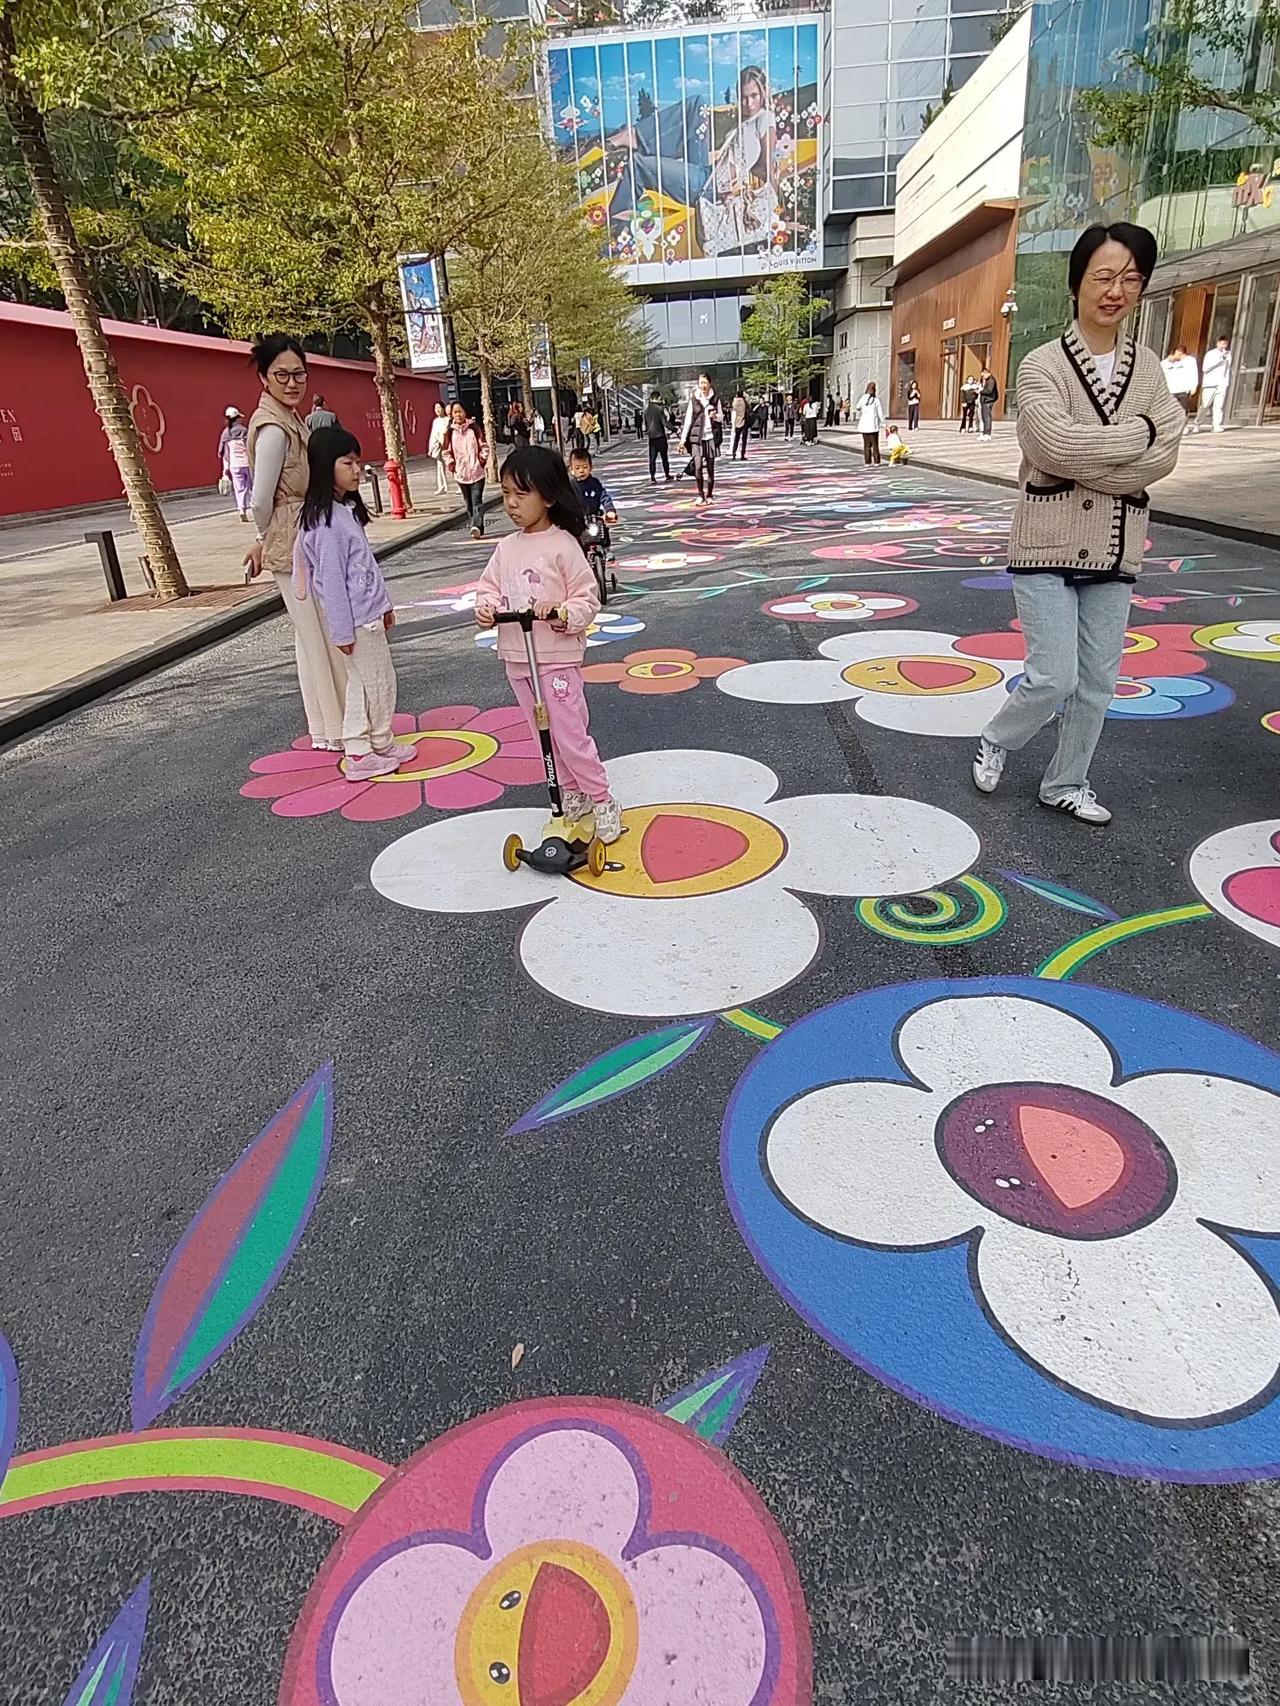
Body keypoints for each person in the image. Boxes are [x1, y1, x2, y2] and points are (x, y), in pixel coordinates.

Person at [970, 221, 1187, 825]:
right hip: (1046, 541)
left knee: (1098, 682)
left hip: (1116, 544)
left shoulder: (1147, 369)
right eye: (1104, 277)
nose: (1116, 290)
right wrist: (1137, 438)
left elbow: (1166, 451)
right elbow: (1052, 445)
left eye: (1131, 280)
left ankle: (1065, 782)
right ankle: (997, 737)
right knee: (1053, 676)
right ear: (1077, 284)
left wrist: (1126, 444)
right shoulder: (1041, 365)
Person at [474, 446, 621, 843]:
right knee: (543, 736)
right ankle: (572, 792)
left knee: (570, 734)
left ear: (549, 496)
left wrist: (561, 612)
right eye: (506, 494)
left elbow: (586, 598)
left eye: (522, 495)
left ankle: (601, 797)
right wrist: (486, 607)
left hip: (555, 660)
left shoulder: (563, 545)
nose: (511, 504)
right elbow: (488, 587)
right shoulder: (506, 548)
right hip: (518, 659)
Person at [244, 334, 347, 751]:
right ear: (265, 378)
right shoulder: (272, 428)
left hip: (300, 534)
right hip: (292, 539)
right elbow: (260, 498)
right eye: (281, 374)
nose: (292, 382)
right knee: (319, 633)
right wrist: (262, 538)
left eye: (298, 373)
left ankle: (326, 727)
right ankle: (337, 728)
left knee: (312, 636)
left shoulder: (289, 418)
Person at [293, 428, 406, 782]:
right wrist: (342, 630)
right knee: (374, 683)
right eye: (348, 462)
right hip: (358, 621)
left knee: (370, 682)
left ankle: (378, 742)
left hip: (367, 614)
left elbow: (364, 567)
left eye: (358, 461)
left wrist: (384, 604)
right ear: (328, 466)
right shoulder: (326, 523)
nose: (357, 469)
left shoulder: (341, 511)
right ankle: (360, 751)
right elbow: (332, 583)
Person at [443, 402, 488, 539]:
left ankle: (476, 526)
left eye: (460, 411)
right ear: (452, 415)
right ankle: (477, 526)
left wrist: (481, 460)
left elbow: (484, 446)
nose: (458, 414)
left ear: (465, 412)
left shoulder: (474, 428)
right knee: (468, 503)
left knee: (477, 501)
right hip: (461, 474)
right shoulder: (449, 432)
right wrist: (452, 465)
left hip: (477, 472)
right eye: (455, 412)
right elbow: (446, 451)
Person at [568, 446, 619, 561]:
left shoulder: (594, 483)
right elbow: (566, 501)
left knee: (602, 529)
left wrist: (610, 510)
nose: (581, 470)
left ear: (591, 468)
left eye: (585, 467)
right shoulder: (571, 486)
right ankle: (578, 557)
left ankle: (606, 549)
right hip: (579, 518)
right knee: (576, 538)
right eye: (577, 468)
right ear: (571, 470)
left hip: (594, 514)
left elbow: (603, 496)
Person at [680, 374, 719, 505]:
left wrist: (716, 416)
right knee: (697, 467)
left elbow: (722, 417)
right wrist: (682, 440)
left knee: (710, 468)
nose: (703, 385)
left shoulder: (715, 399)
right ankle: (700, 494)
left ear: (709, 383)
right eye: (700, 383)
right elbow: (688, 420)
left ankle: (710, 494)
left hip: (710, 437)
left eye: (705, 382)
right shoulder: (694, 399)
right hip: (697, 438)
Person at [218, 406, 252, 521]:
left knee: (239, 488)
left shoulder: (225, 434)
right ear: (237, 418)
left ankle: (242, 509)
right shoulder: (244, 431)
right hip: (247, 463)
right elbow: (250, 447)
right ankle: (256, 508)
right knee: (253, 488)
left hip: (234, 465)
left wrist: (225, 469)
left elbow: (223, 453)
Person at [1194, 335, 1232, 433]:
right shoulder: (1210, 354)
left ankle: (1216, 425)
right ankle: (1197, 423)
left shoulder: (1228, 354)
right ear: (1218, 343)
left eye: (1226, 344)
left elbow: (1228, 368)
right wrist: (1220, 360)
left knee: (1218, 406)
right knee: (1205, 405)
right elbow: (1205, 368)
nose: (1224, 346)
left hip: (1222, 383)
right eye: (1222, 344)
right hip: (1210, 384)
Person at [1161, 344, 1199, 417]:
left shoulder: (1190, 360)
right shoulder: (1165, 363)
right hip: (1170, 389)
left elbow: (1194, 373)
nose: (1180, 356)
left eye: (1181, 354)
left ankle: (1183, 425)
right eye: (1178, 354)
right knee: (1169, 410)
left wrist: (1194, 386)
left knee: (1183, 408)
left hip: (1183, 389)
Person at [854, 381, 885, 464]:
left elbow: (857, 407)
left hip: (864, 425)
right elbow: (880, 413)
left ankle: (867, 462)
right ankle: (876, 461)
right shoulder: (876, 400)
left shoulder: (863, 398)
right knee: (875, 445)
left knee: (866, 445)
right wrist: (884, 423)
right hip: (873, 425)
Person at [644, 391, 672, 482]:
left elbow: (645, 425)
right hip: (660, 436)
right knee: (664, 457)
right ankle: (667, 475)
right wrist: (674, 429)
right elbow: (665, 423)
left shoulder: (646, 411)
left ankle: (652, 477)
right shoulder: (659, 409)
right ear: (656, 398)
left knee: (652, 459)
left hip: (651, 438)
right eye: (659, 398)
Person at [428, 400, 450, 497]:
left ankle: (459, 485)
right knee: (440, 467)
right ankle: (442, 486)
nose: (437, 410)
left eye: (439, 408)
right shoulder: (435, 421)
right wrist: (431, 448)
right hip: (438, 447)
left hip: (447, 446)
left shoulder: (448, 419)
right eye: (436, 408)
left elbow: (447, 432)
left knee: (452, 466)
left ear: (443, 409)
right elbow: (433, 435)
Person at [979, 368, 1000, 438]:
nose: (982, 378)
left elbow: (989, 391)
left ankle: (987, 433)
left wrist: (980, 391)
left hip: (988, 400)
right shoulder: (988, 380)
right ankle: (985, 432)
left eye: (983, 376)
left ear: (986, 373)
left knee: (987, 417)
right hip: (985, 400)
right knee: (984, 417)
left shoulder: (991, 380)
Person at [731, 389, 750, 460]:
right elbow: (749, 399)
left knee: (736, 439)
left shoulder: (735, 402)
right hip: (744, 421)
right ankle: (742, 455)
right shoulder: (744, 401)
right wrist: (745, 395)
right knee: (744, 440)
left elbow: (733, 407)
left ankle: (734, 453)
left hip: (737, 421)